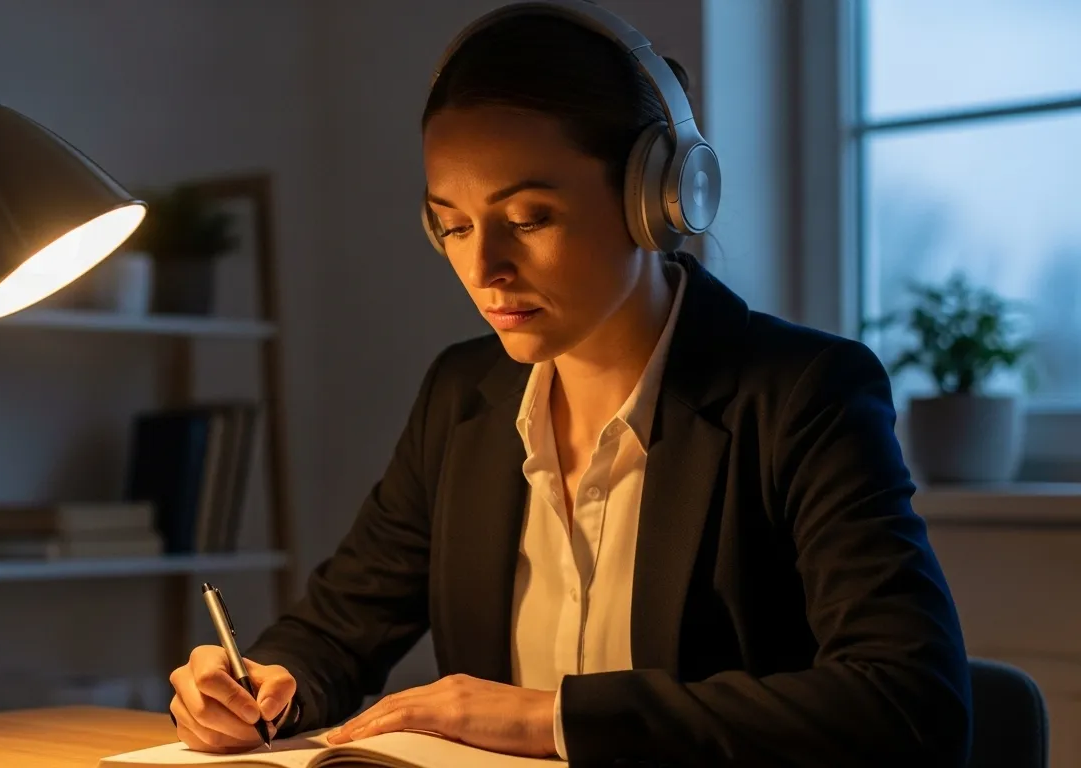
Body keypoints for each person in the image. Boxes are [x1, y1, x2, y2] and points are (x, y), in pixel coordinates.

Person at [167, 2, 972, 765]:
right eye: (451, 224)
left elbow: (910, 703)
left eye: (528, 219)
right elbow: (337, 631)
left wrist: (549, 718)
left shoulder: (803, 395)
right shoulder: (463, 396)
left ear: (657, 201)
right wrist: (263, 685)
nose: (483, 269)